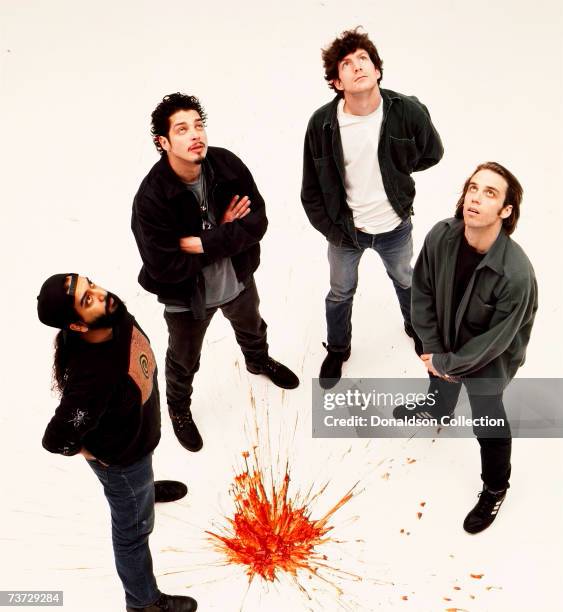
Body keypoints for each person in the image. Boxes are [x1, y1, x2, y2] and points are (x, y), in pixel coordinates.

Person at [131, 93, 299, 453]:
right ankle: (178, 407)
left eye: (198, 125)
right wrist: (223, 234)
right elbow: (163, 265)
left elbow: (257, 221)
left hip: (237, 279)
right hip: (187, 297)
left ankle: (257, 361)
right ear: (163, 142)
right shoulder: (151, 199)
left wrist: (201, 242)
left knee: (253, 326)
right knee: (183, 359)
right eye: (182, 129)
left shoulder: (225, 165)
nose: (195, 134)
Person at [37, 273, 197, 611]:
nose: (101, 294)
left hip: (138, 440)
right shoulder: (92, 379)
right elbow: (57, 438)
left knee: (139, 488)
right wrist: (92, 453)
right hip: (123, 463)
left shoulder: (114, 315)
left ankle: (143, 494)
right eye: (86, 300)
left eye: (90, 285)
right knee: (132, 536)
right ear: (78, 327)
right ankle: (142, 602)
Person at [394, 162, 538, 533]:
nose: (476, 197)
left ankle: (495, 487)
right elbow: (421, 292)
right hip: (444, 340)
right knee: (438, 376)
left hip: (489, 359)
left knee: (487, 419)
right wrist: (434, 351)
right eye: (474, 187)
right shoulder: (441, 236)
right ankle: (439, 408)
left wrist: (447, 361)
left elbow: (497, 342)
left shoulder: (516, 274)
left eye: (490, 193)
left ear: (506, 212)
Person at [301, 27, 444, 389]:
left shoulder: (407, 110)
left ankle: (417, 329)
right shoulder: (322, 124)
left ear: (377, 69)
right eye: (346, 64)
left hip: (395, 226)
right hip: (347, 233)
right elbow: (310, 191)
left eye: (364, 58)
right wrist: (335, 231)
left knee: (406, 280)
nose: (358, 66)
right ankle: (338, 348)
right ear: (336, 81)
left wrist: (397, 175)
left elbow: (432, 152)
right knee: (340, 292)